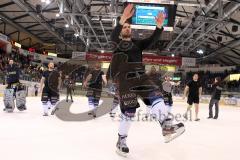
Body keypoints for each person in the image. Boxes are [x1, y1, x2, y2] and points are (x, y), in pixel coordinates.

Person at [107, 4, 185, 156]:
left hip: (142, 78)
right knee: (129, 112)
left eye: (129, 26)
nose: (127, 28)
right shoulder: (116, 44)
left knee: (157, 98)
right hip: (125, 81)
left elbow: (152, 40)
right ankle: (121, 141)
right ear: (121, 29)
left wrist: (159, 26)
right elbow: (112, 36)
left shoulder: (137, 43)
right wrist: (122, 20)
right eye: (125, 27)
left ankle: (166, 128)